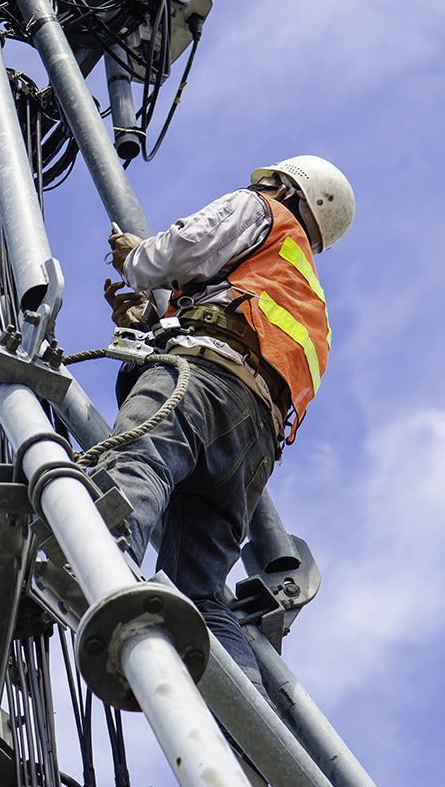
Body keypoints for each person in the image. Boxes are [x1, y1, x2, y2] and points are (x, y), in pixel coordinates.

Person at [97, 155, 355, 689]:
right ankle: (249, 719)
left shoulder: (263, 211)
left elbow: (188, 245)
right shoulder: (307, 296)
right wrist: (150, 320)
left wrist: (137, 258)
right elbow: (241, 318)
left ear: (287, 187)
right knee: (200, 593)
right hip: (252, 441)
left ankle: (97, 567)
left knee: (137, 462)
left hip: (204, 382)